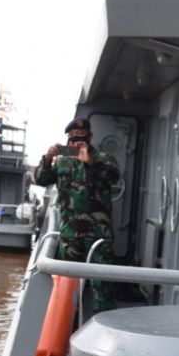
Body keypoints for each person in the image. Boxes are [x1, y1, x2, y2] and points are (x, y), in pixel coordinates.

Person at [33, 118, 122, 317]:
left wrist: (90, 162)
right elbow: (40, 179)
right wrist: (47, 160)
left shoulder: (103, 159)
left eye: (81, 139)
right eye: (72, 140)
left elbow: (114, 176)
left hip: (99, 234)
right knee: (67, 283)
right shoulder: (62, 161)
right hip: (70, 233)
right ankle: (66, 323)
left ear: (90, 138)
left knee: (102, 284)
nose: (76, 144)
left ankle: (104, 326)